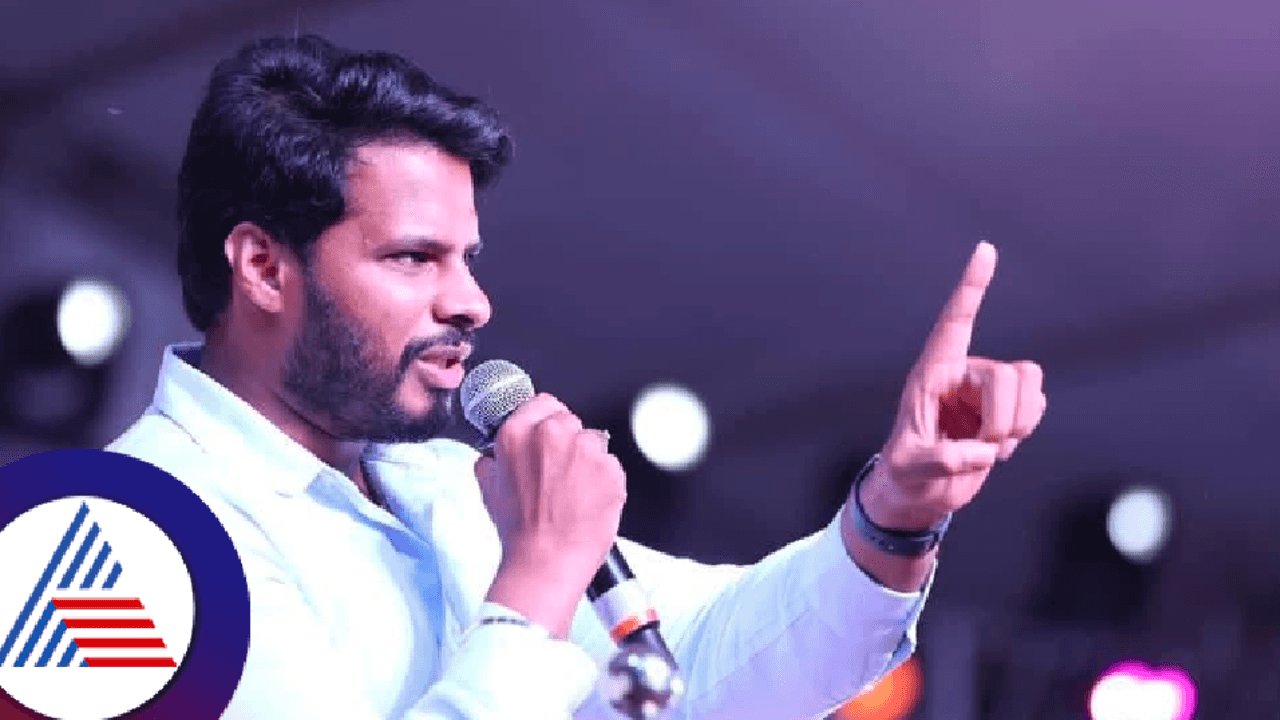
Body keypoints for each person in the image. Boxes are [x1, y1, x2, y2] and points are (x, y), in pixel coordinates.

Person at [107, 35, 1046, 720]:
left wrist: (897, 509)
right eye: (414, 258)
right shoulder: (122, 537)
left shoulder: (448, 486)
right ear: (264, 267)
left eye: (468, 258)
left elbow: (711, 667)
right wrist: (541, 576)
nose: (471, 301)